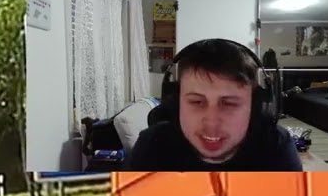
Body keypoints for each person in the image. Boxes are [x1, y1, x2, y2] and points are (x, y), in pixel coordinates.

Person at [127, 37, 303, 171]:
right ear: (175, 104)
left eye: (229, 104)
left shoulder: (276, 145)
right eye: (196, 102)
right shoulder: (152, 145)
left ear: (255, 106)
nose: (212, 122)